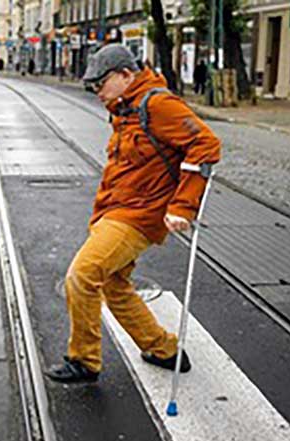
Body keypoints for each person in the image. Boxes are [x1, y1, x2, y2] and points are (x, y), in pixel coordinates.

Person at [44, 44, 221, 383]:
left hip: (137, 215)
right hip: (114, 209)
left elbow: (206, 144)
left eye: (101, 84)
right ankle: (162, 348)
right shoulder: (124, 108)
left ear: (126, 74)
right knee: (114, 284)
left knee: (81, 276)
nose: (97, 92)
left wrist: (183, 206)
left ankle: (84, 359)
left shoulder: (158, 104)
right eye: (93, 87)